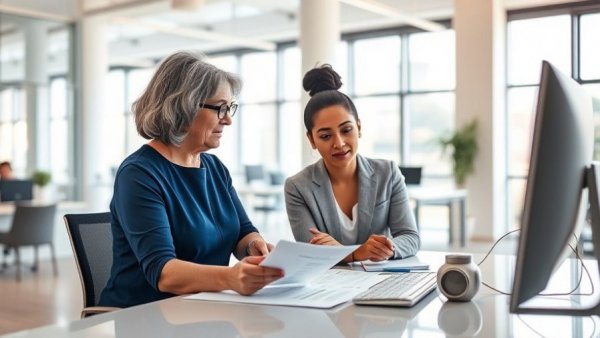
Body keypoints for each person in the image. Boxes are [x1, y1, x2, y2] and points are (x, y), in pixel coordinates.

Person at [99, 51, 283, 308]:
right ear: (183, 107)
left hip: (201, 308)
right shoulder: (139, 174)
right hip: (144, 316)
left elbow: (242, 231)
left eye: (229, 108)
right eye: (220, 108)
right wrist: (231, 277)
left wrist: (254, 246)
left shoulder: (215, 167)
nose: (228, 119)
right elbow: (163, 273)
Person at [284, 64, 420, 262]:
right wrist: (358, 253)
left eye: (346, 130)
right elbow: (311, 251)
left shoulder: (387, 173)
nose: (338, 143)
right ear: (312, 140)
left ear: (358, 127)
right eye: (325, 135)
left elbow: (410, 237)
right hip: (328, 286)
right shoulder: (298, 187)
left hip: (380, 281)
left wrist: (387, 249)